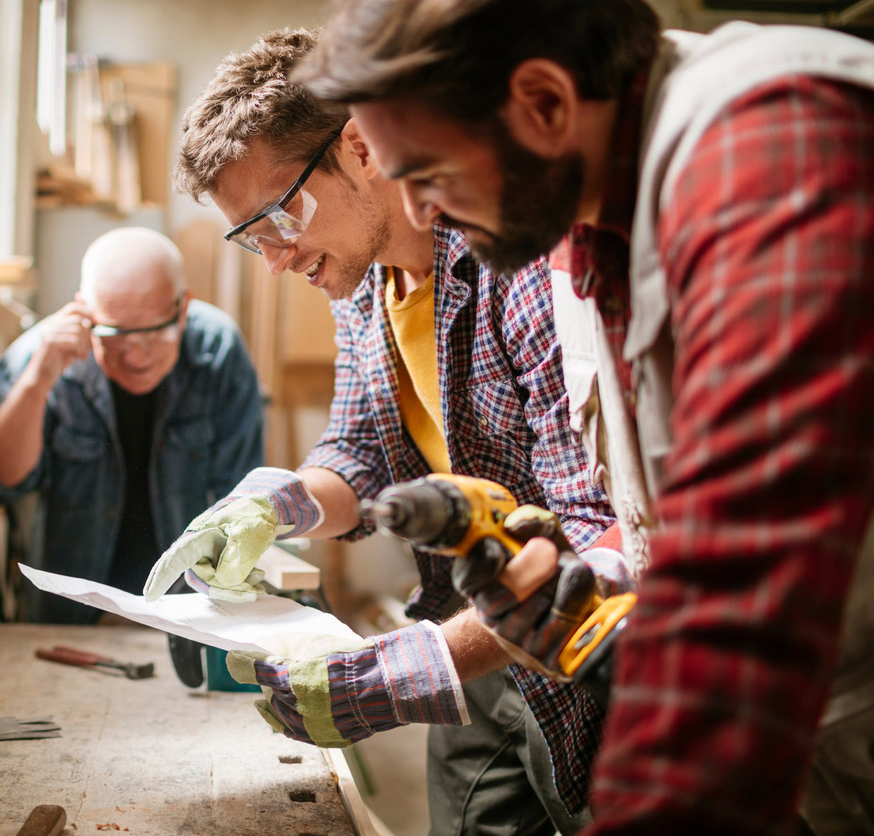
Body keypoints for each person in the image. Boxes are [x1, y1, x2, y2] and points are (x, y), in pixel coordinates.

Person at [296, 2, 874, 834]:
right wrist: (586, 595)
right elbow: (660, 515)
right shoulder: (583, 229)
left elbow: (747, 580)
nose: (418, 213)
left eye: (424, 172)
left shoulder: (765, 147)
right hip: (811, 754)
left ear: (543, 102)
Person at [145, 29, 626, 836]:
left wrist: (416, 668)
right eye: (251, 236)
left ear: (361, 147)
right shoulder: (362, 287)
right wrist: (282, 502)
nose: (275, 257)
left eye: (279, 216)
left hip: (583, 652)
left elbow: (592, 530)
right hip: (466, 632)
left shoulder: (520, 267)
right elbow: (362, 450)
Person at [0, 227, 264, 623]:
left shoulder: (218, 351)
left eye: (155, 332)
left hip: (190, 616)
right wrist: (38, 380)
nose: (136, 356)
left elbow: (241, 503)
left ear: (183, 307)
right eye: (115, 334)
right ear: (84, 312)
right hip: (70, 618)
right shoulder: (41, 354)